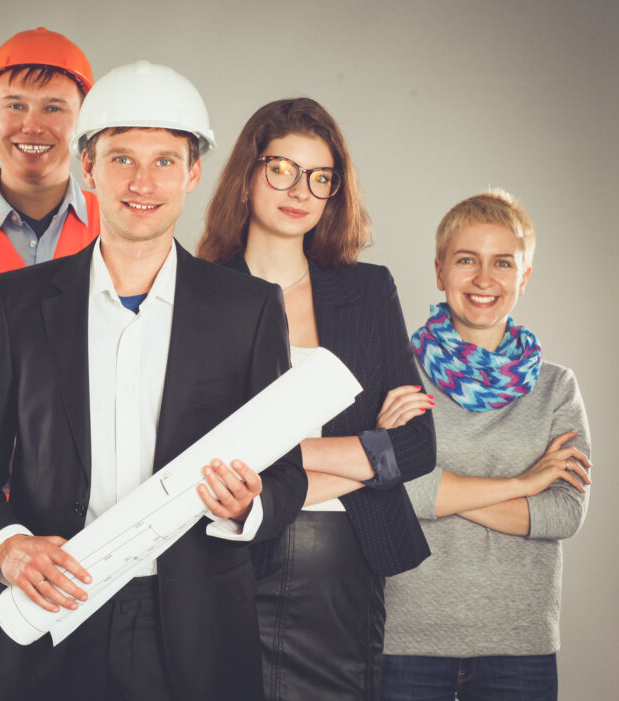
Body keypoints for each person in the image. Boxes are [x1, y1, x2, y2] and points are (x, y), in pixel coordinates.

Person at [0, 61, 308, 701]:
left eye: (165, 161)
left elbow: (287, 475)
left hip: (194, 630)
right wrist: (6, 546)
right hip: (50, 613)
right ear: (88, 170)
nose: (143, 182)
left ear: (194, 173)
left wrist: (250, 505)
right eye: (121, 160)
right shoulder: (17, 304)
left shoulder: (246, 310)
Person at [198, 98, 437, 700]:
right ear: (249, 174)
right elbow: (198, 457)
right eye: (282, 168)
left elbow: (414, 447)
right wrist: (362, 456)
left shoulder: (368, 289)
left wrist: (273, 455)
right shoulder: (201, 292)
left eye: (320, 176)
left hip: (347, 562)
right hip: (233, 556)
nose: (299, 189)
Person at [381, 191, 592, 701]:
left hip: (519, 645)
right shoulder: (394, 374)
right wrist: (523, 484)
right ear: (439, 271)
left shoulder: (556, 387)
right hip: (406, 637)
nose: (483, 279)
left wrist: (440, 491)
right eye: (466, 260)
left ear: (524, 277)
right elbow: (388, 492)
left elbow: (564, 512)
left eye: (502, 263)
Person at [0, 26, 99, 277]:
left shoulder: (112, 222)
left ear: (83, 122)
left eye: (53, 108)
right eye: (16, 105)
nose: (32, 127)